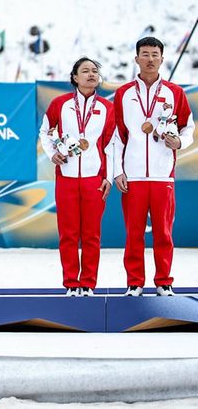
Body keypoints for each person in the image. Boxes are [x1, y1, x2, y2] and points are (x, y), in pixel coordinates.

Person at [113, 36, 194, 297]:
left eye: (155, 54)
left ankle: (164, 281)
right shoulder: (124, 94)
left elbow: (188, 127)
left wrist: (179, 141)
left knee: (164, 233)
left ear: (162, 59)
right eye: (145, 54)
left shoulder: (175, 93)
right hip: (133, 176)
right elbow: (117, 136)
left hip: (162, 175)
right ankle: (134, 282)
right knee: (133, 234)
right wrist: (117, 171)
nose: (150, 59)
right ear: (136, 58)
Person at [39, 57, 117, 296]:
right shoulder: (60, 104)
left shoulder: (107, 108)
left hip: (94, 178)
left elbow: (111, 145)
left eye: (94, 71)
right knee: (68, 234)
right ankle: (71, 283)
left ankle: (88, 283)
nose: (91, 74)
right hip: (66, 177)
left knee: (92, 235)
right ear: (75, 77)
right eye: (85, 71)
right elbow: (45, 131)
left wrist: (109, 177)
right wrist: (52, 153)